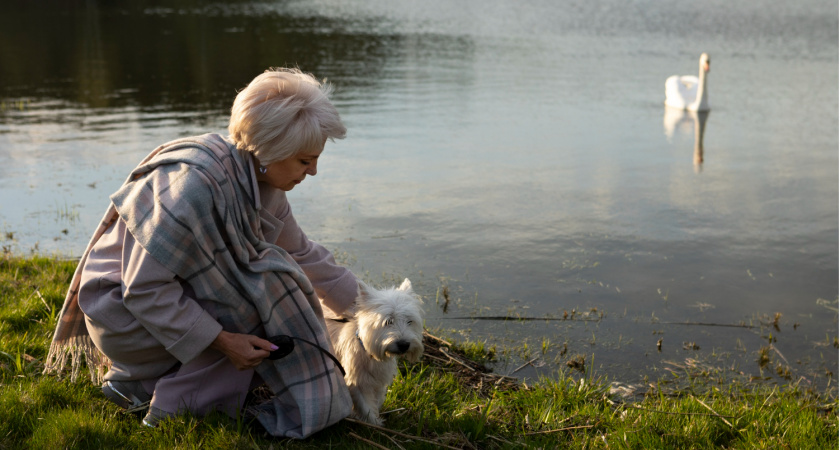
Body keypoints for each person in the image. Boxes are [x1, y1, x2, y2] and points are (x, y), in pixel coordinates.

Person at [45, 68, 357, 438]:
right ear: (273, 149)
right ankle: (169, 403)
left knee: (266, 288)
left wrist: (369, 309)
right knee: (257, 305)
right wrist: (225, 342)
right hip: (121, 312)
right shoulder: (192, 189)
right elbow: (144, 289)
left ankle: (142, 384)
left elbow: (303, 254)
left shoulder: (262, 183)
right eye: (305, 161)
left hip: (155, 305)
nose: (314, 171)